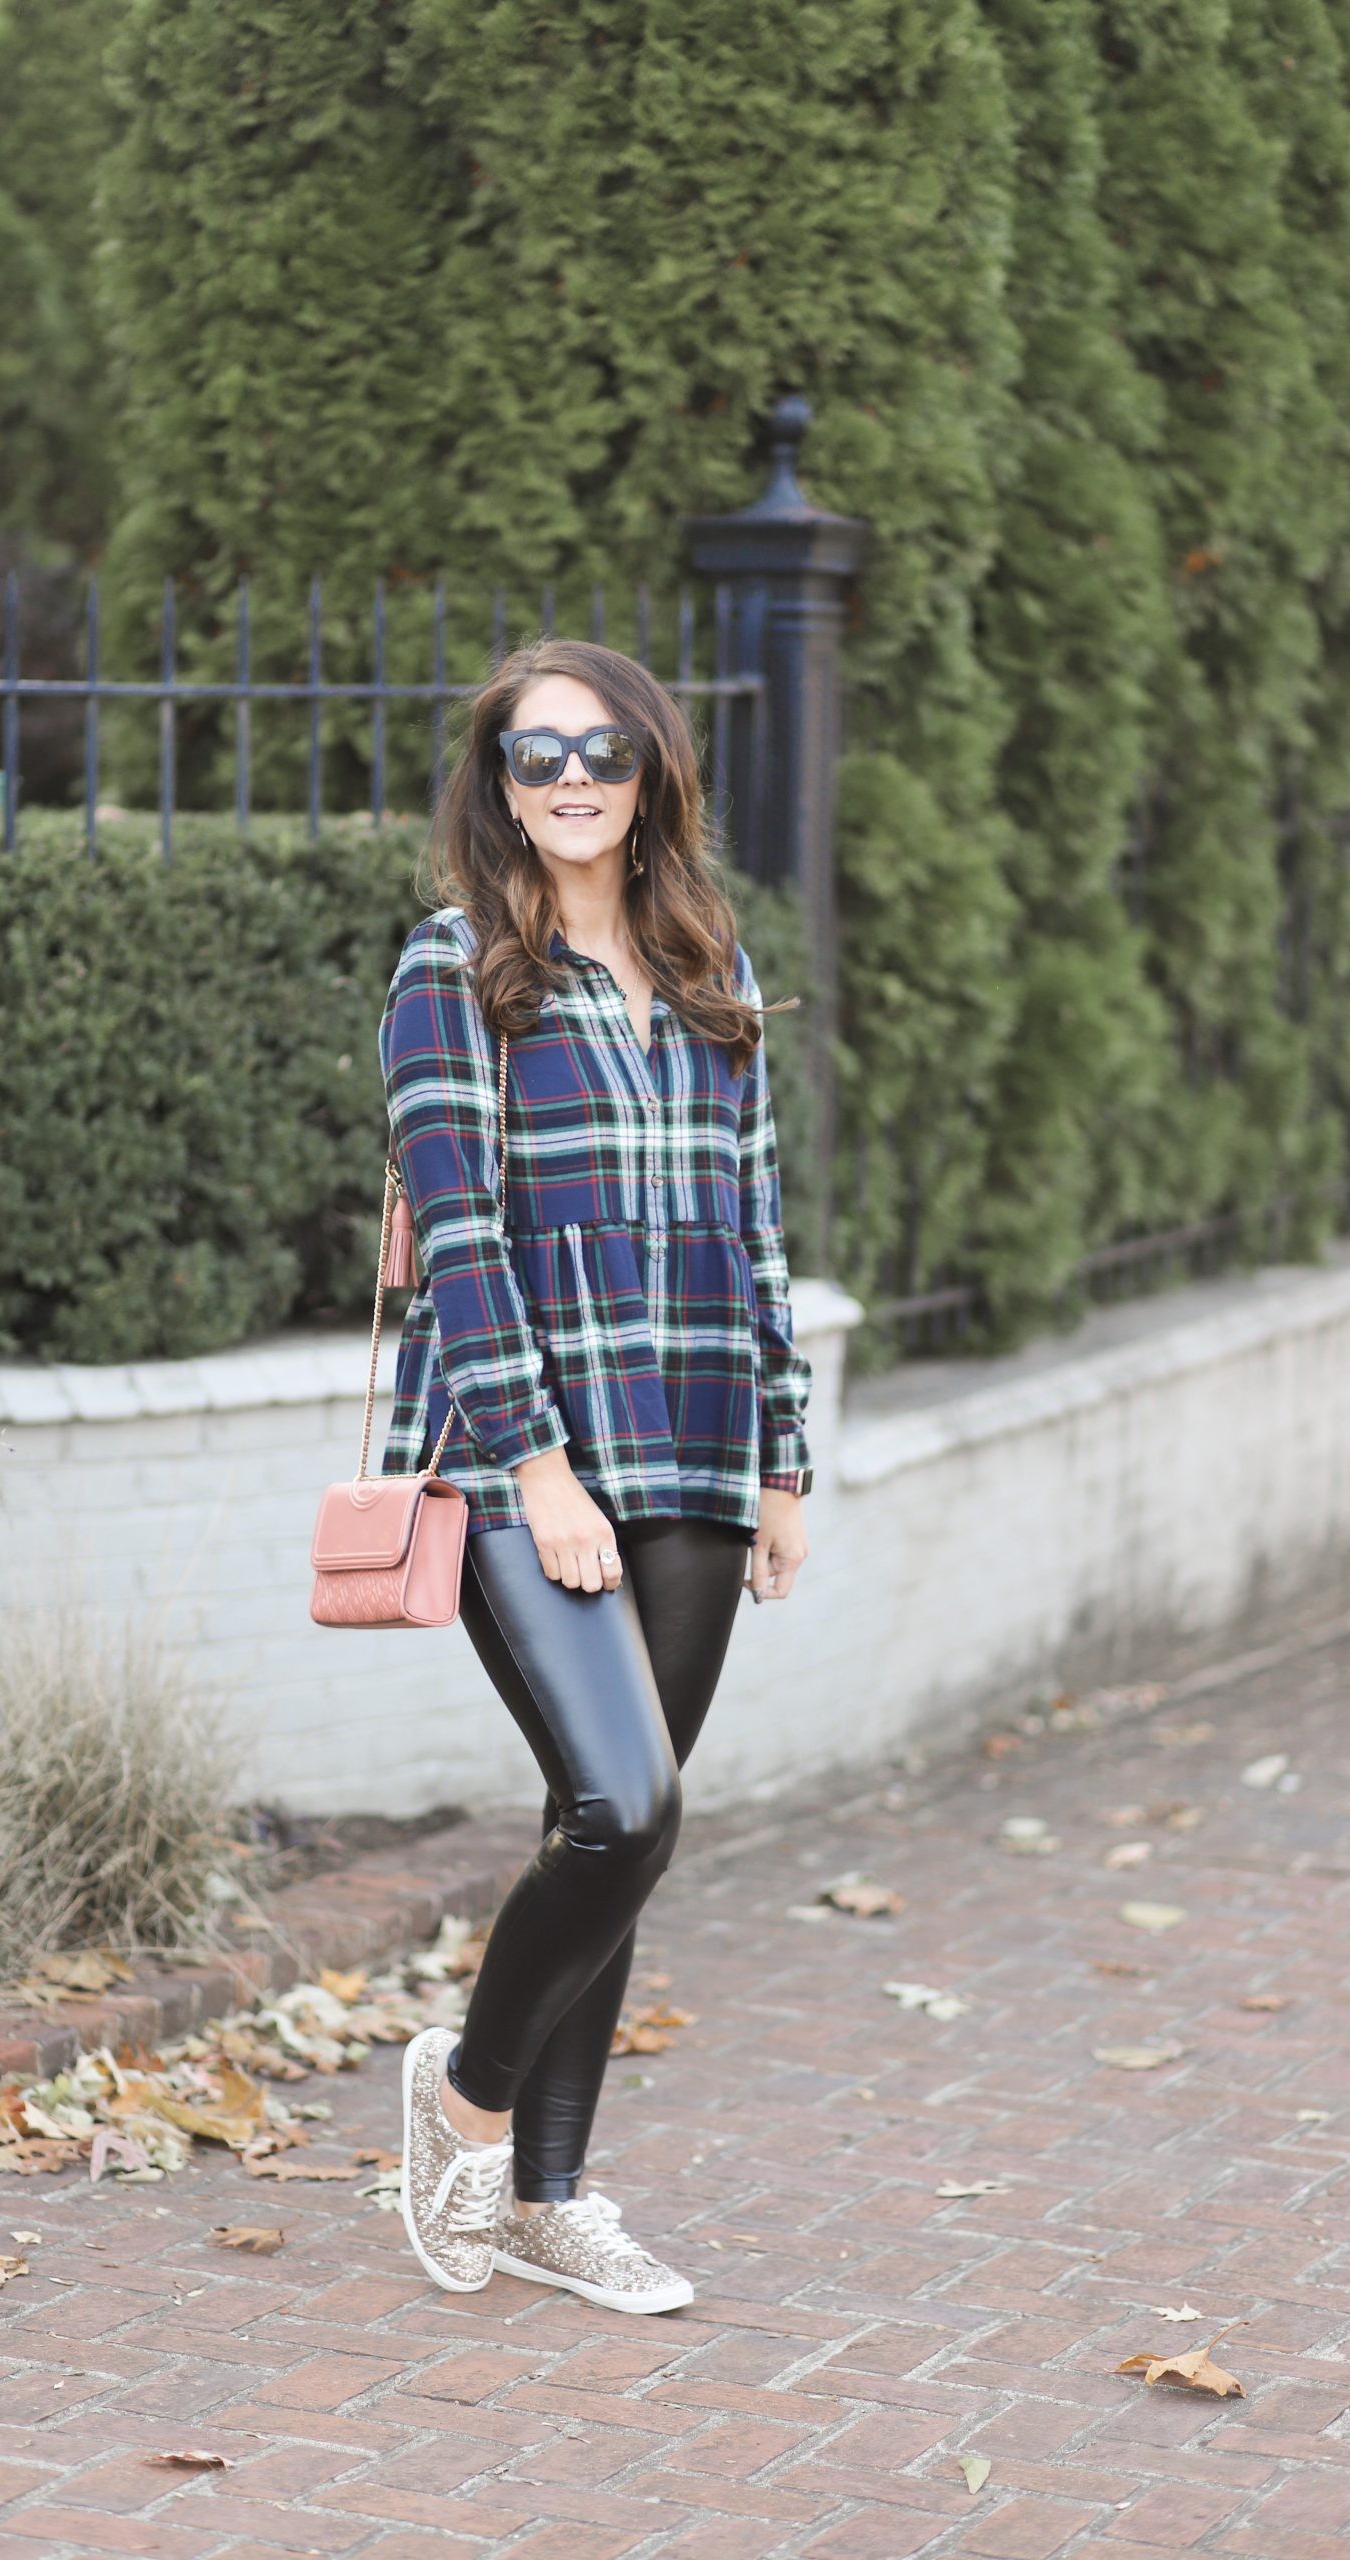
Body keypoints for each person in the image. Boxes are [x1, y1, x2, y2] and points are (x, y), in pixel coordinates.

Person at [380, 636, 813, 2315]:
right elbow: (461, 1243)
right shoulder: (455, 967)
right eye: (532, 755)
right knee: (621, 1800)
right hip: (521, 1460)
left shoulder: (714, 966)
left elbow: (758, 1230)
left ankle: (553, 2200)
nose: (568, 779)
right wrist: (538, 1471)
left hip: (699, 1442)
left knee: (626, 1835)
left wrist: (784, 1462)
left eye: (600, 752)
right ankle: (465, 2101)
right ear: (497, 786)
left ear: (652, 777)